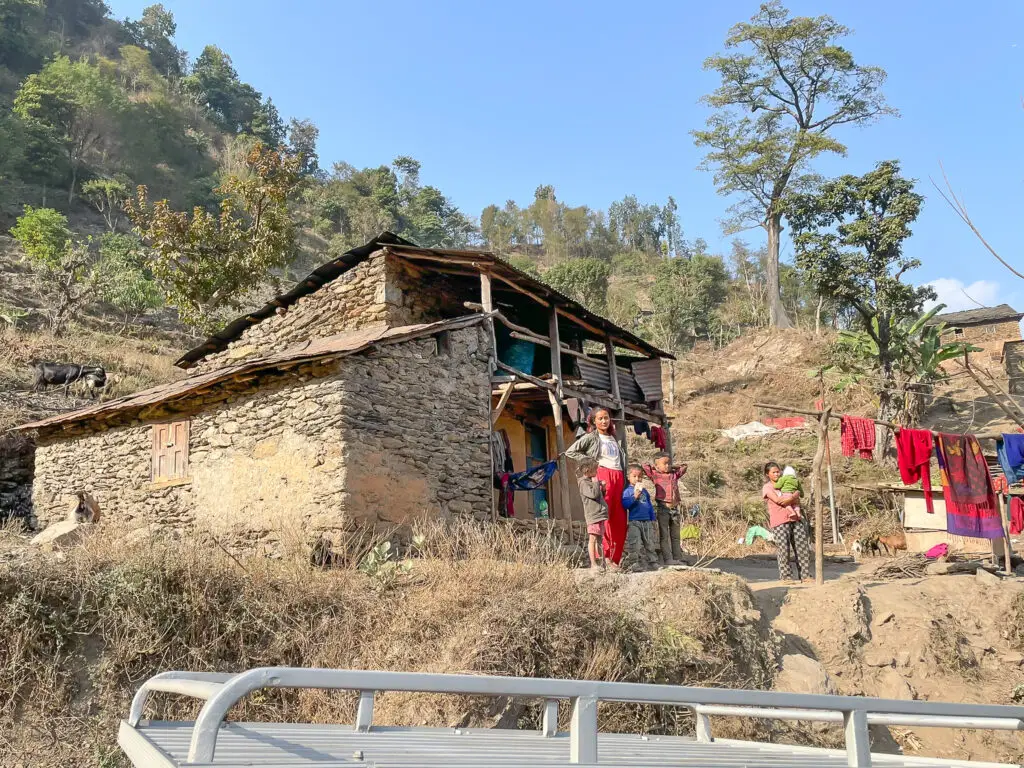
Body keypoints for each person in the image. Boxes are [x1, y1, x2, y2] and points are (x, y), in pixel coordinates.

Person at [567, 407, 627, 567]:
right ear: (593, 421)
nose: (604, 421)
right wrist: (591, 461)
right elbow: (570, 452)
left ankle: (615, 558)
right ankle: (605, 558)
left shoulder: (615, 437)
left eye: (606, 418)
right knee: (604, 516)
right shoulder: (591, 437)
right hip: (603, 474)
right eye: (599, 419)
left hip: (619, 476)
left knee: (619, 518)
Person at [762, 461, 811, 583]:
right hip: (779, 521)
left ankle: (805, 575)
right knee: (783, 549)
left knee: (802, 548)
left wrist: (795, 495)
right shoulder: (768, 487)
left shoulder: (787, 481)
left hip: (795, 519)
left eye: (778, 471)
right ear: (768, 474)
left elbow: (799, 493)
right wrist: (793, 497)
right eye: (774, 472)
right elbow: (780, 501)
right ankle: (786, 576)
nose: (777, 474)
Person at [643, 453, 687, 565]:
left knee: (676, 536)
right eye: (665, 464)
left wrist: (673, 467)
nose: (667, 466)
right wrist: (656, 467)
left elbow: (684, 466)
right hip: (663, 509)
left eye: (669, 463)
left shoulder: (674, 475)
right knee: (664, 535)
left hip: (675, 509)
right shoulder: (655, 475)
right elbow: (645, 466)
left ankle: (677, 558)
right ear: (657, 466)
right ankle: (668, 559)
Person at [622, 465, 659, 570]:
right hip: (635, 522)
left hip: (647, 521)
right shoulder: (627, 491)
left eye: (640, 477)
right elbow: (625, 505)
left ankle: (653, 562)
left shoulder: (644, 491)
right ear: (628, 477)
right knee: (635, 544)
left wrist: (652, 518)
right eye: (634, 476)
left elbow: (649, 505)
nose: (637, 479)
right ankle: (634, 564)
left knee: (650, 543)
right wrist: (634, 496)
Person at [577, 458, 608, 571]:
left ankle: (602, 563)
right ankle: (593, 564)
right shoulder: (583, 483)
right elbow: (593, 494)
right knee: (593, 539)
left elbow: (600, 496)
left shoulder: (592, 481)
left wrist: (603, 488)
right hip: (593, 515)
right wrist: (596, 483)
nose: (597, 471)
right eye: (595, 469)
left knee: (600, 540)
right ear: (587, 470)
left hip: (600, 514)